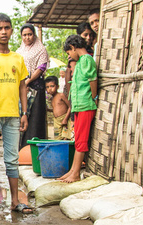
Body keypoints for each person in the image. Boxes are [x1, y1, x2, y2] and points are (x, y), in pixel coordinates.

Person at [0, 13, 32, 214]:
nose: (4, 32)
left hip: (12, 115)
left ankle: (14, 202)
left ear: (12, 30)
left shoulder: (18, 58)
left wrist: (24, 112)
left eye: (7, 28)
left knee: (12, 159)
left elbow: (22, 87)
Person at [58, 35, 98, 183]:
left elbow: (92, 80)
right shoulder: (81, 62)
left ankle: (75, 174)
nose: (69, 56)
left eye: (69, 53)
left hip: (86, 104)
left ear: (73, 47)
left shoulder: (87, 60)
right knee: (78, 139)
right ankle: (73, 171)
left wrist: (94, 97)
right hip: (79, 105)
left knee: (81, 140)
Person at [17, 23, 49, 148]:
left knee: (35, 118)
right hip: (22, 87)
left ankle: (35, 148)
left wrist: (28, 81)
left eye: (30, 34)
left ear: (34, 35)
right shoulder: (19, 51)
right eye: (24, 35)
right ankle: (22, 148)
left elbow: (41, 67)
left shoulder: (40, 49)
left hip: (36, 86)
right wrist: (22, 84)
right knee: (23, 115)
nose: (27, 38)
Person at [46, 76, 71, 140]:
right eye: (47, 87)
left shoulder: (61, 95)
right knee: (57, 137)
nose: (50, 89)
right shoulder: (52, 98)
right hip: (56, 121)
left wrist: (65, 119)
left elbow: (70, 107)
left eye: (52, 86)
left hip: (64, 118)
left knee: (65, 137)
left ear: (57, 87)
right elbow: (56, 109)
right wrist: (49, 110)